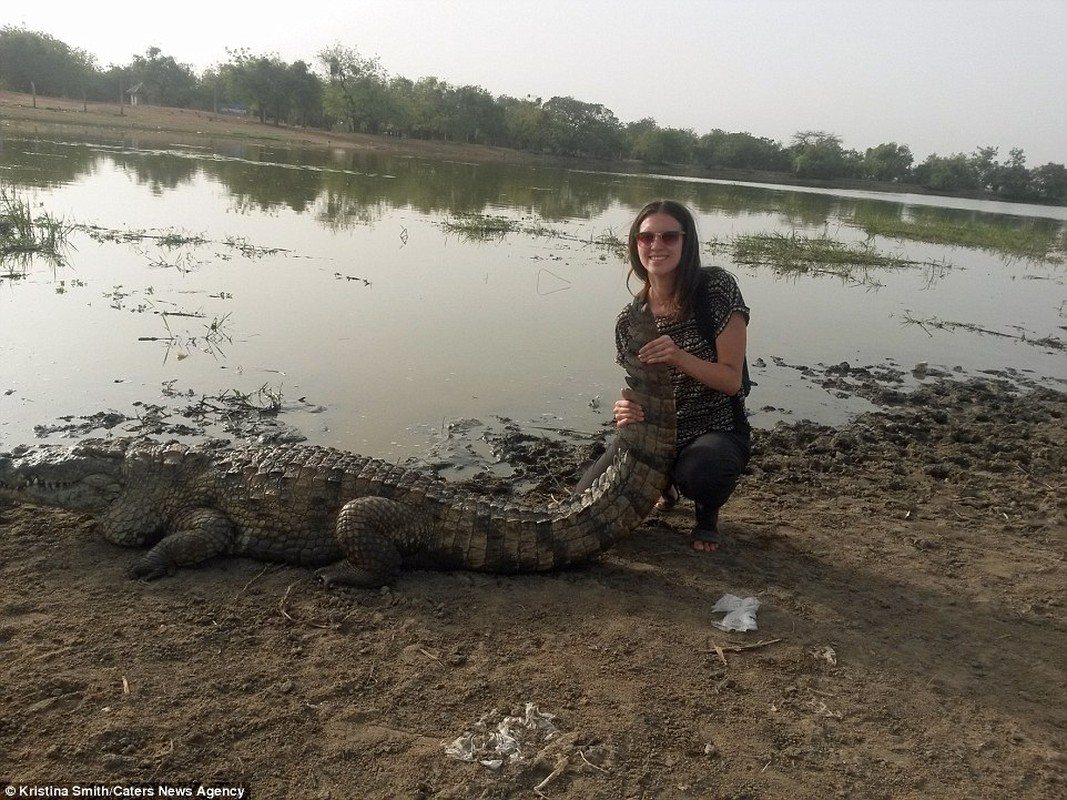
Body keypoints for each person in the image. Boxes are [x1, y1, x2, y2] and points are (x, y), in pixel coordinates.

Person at [578, 199, 751, 552]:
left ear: (686, 243)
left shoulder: (715, 289)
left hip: (714, 429)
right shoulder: (630, 319)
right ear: (635, 245)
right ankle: (665, 483)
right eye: (646, 238)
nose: (657, 245)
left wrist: (678, 355)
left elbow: (732, 381)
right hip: (653, 435)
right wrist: (625, 409)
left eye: (669, 236)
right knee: (585, 496)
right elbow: (638, 387)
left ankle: (706, 517)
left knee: (705, 470)